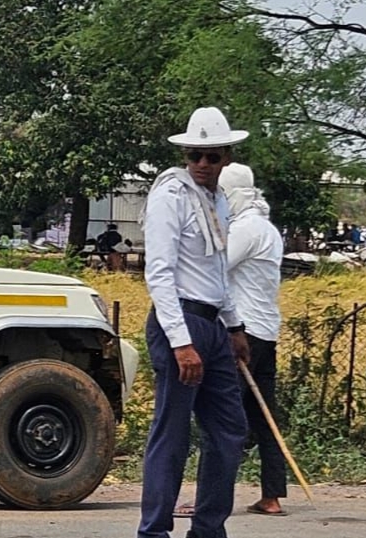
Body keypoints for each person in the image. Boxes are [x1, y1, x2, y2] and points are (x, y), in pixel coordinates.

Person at [137, 107, 252, 538]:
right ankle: (154, 532)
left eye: (212, 156)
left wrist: (235, 326)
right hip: (179, 320)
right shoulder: (171, 196)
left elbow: (218, 272)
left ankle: (207, 529)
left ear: (227, 157)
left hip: (213, 323)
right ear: (185, 156)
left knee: (229, 431)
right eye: (194, 156)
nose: (202, 165)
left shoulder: (218, 200)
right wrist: (181, 342)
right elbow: (160, 273)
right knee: (172, 432)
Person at [219, 163, 288, 517]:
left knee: (223, 418)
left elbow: (216, 269)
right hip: (267, 331)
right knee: (264, 419)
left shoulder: (245, 229)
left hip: (243, 334)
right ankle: (272, 495)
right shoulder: (269, 229)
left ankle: (214, 497)